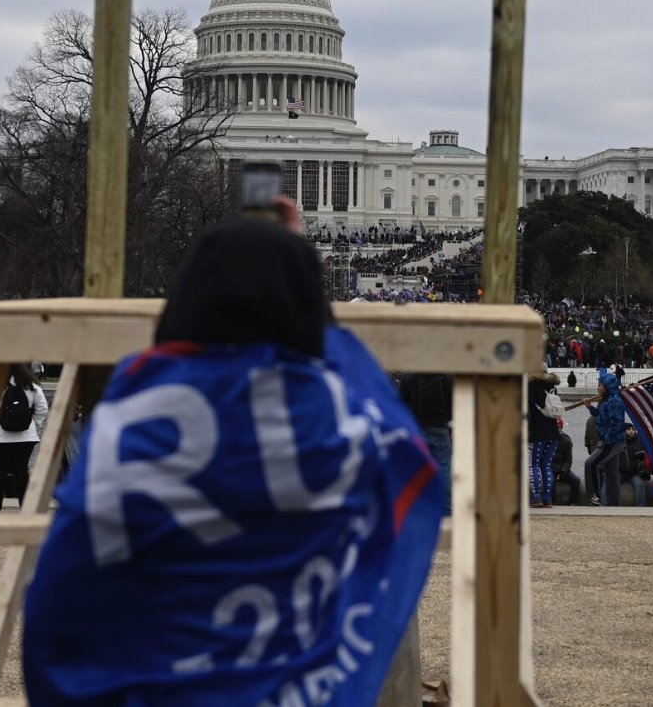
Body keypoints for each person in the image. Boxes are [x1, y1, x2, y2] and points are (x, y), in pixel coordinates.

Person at [22, 206, 444, 705]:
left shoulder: (132, 412)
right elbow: (407, 461)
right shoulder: (333, 419)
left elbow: (64, 590)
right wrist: (302, 287)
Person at [0, 364, 48, 514]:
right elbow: (43, 409)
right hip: (27, 437)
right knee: (21, 472)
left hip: (0, 437)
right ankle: (26, 508)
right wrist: (34, 425)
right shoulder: (32, 387)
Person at [398, 373, 452, 515]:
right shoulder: (445, 375)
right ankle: (446, 510)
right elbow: (452, 400)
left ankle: (415, 509)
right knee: (444, 468)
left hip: (416, 429)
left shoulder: (409, 375)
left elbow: (401, 403)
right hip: (440, 427)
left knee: (415, 470)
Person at [583, 369, 626, 507]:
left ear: (607, 387)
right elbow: (602, 416)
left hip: (611, 441)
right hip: (613, 440)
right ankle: (614, 504)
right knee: (611, 473)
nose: (598, 388)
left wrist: (607, 440)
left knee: (590, 463)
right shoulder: (606, 400)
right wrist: (590, 408)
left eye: (600, 385)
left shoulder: (614, 401)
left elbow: (617, 424)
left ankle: (594, 497)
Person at [526, 371, 561, 508]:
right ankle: (547, 498)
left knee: (533, 464)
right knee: (546, 465)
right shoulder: (552, 387)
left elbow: (527, 409)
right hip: (553, 432)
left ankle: (536, 497)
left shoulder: (532, 386)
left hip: (537, 430)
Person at [618, 425, 650, 507]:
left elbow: (648, 454)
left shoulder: (640, 440)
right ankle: (608, 506)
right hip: (620, 472)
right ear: (624, 431)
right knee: (610, 484)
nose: (631, 431)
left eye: (633, 429)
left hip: (634, 473)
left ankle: (641, 507)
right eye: (628, 429)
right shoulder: (619, 441)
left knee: (640, 485)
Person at [552, 418, 581, 505]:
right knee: (550, 480)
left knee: (576, 481)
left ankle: (572, 503)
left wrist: (564, 471)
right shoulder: (549, 439)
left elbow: (568, 458)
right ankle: (552, 502)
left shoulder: (566, 440)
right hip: (553, 468)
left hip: (561, 468)